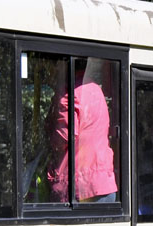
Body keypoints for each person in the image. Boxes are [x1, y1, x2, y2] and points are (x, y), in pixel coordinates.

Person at [45, 65, 118, 203]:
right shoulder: (96, 89)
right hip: (104, 184)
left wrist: (47, 133)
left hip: (80, 187)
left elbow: (64, 136)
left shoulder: (68, 91)